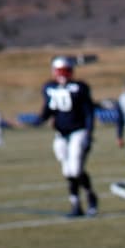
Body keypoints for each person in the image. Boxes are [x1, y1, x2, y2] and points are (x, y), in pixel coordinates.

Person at [36, 55, 98, 217]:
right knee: (67, 171)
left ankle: (90, 195)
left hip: (78, 131)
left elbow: (88, 112)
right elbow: (48, 109)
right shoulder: (50, 87)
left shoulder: (79, 87)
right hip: (61, 134)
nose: (62, 74)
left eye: (65, 70)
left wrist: (89, 133)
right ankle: (76, 204)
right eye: (59, 71)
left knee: (76, 169)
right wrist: (38, 120)